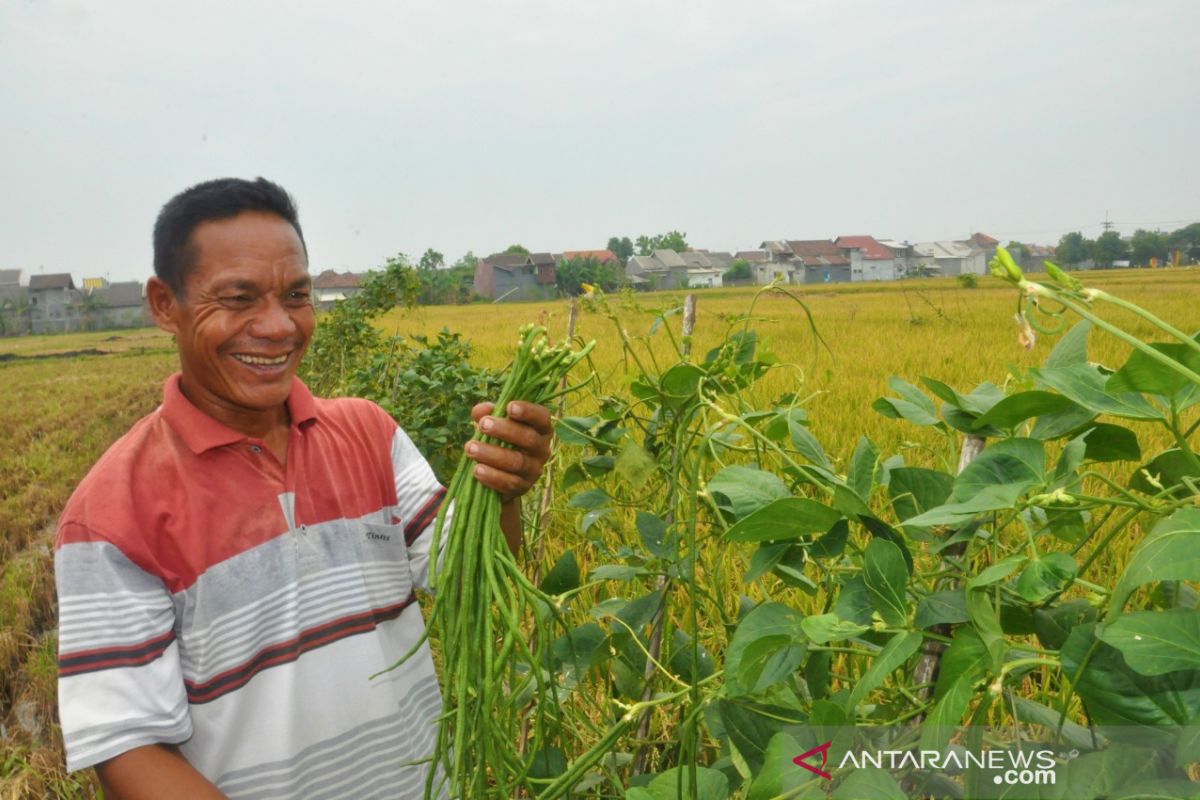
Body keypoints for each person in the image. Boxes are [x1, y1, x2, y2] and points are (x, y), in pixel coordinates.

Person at [54, 177, 552, 799]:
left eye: (296, 295)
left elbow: (474, 582)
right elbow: (128, 748)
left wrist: (503, 494)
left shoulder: (372, 434)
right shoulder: (110, 513)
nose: (278, 326)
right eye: (238, 299)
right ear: (164, 304)